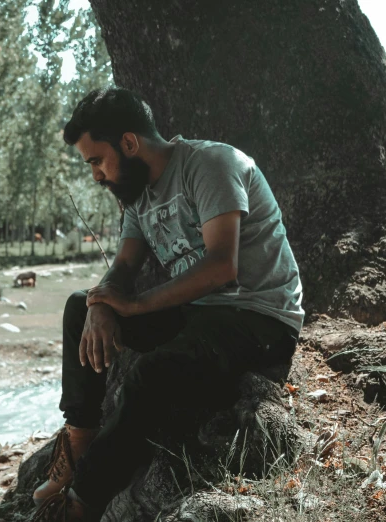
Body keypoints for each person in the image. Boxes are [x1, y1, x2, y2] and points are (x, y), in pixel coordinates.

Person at [31, 88, 304, 521]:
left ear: (129, 143)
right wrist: (102, 303)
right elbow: (123, 265)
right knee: (78, 308)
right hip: (201, 313)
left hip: (259, 319)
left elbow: (221, 268)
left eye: (97, 161)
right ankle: (78, 442)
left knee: (151, 376)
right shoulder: (139, 195)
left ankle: (82, 505)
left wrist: (135, 307)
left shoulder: (212, 164)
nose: (97, 176)